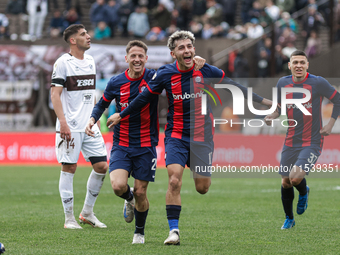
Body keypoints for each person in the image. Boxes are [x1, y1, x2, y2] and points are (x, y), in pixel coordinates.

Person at [107, 30, 272, 245]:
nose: (186, 50)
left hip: (202, 137)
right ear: (173, 53)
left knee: (202, 187)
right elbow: (143, 97)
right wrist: (122, 114)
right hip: (176, 135)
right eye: (181, 48)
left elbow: (235, 87)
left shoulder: (206, 70)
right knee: (174, 180)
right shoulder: (165, 74)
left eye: (189, 47)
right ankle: (173, 231)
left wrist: (265, 103)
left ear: (194, 50)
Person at [85, 40, 206, 244]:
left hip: (146, 146)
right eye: (133, 56)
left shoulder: (154, 77)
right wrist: (92, 119)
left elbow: (179, 67)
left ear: (146, 59)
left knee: (142, 191)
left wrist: (195, 61)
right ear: (127, 59)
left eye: (141, 56)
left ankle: (139, 233)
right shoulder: (116, 82)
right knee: (117, 186)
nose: (137, 59)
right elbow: (102, 104)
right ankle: (129, 199)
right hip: (121, 144)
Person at [264, 50, 340, 230]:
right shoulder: (283, 83)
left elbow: (338, 100)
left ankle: (304, 192)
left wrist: (330, 125)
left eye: (302, 62)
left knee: (295, 178)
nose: (298, 65)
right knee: (285, 181)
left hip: (312, 141)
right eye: (295, 62)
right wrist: (271, 116)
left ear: (307, 65)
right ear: (289, 65)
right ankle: (289, 219)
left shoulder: (318, 82)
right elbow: (280, 107)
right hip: (290, 140)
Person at [50, 24, 109, 230]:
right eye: (83, 34)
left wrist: (94, 118)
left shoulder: (91, 61)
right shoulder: (63, 63)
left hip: (88, 125)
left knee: (101, 166)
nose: (88, 36)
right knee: (70, 167)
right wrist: (63, 123)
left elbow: (89, 93)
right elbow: (55, 95)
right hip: (70, 125)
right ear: (73, 40)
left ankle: (87, 213)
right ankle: (69, 219)